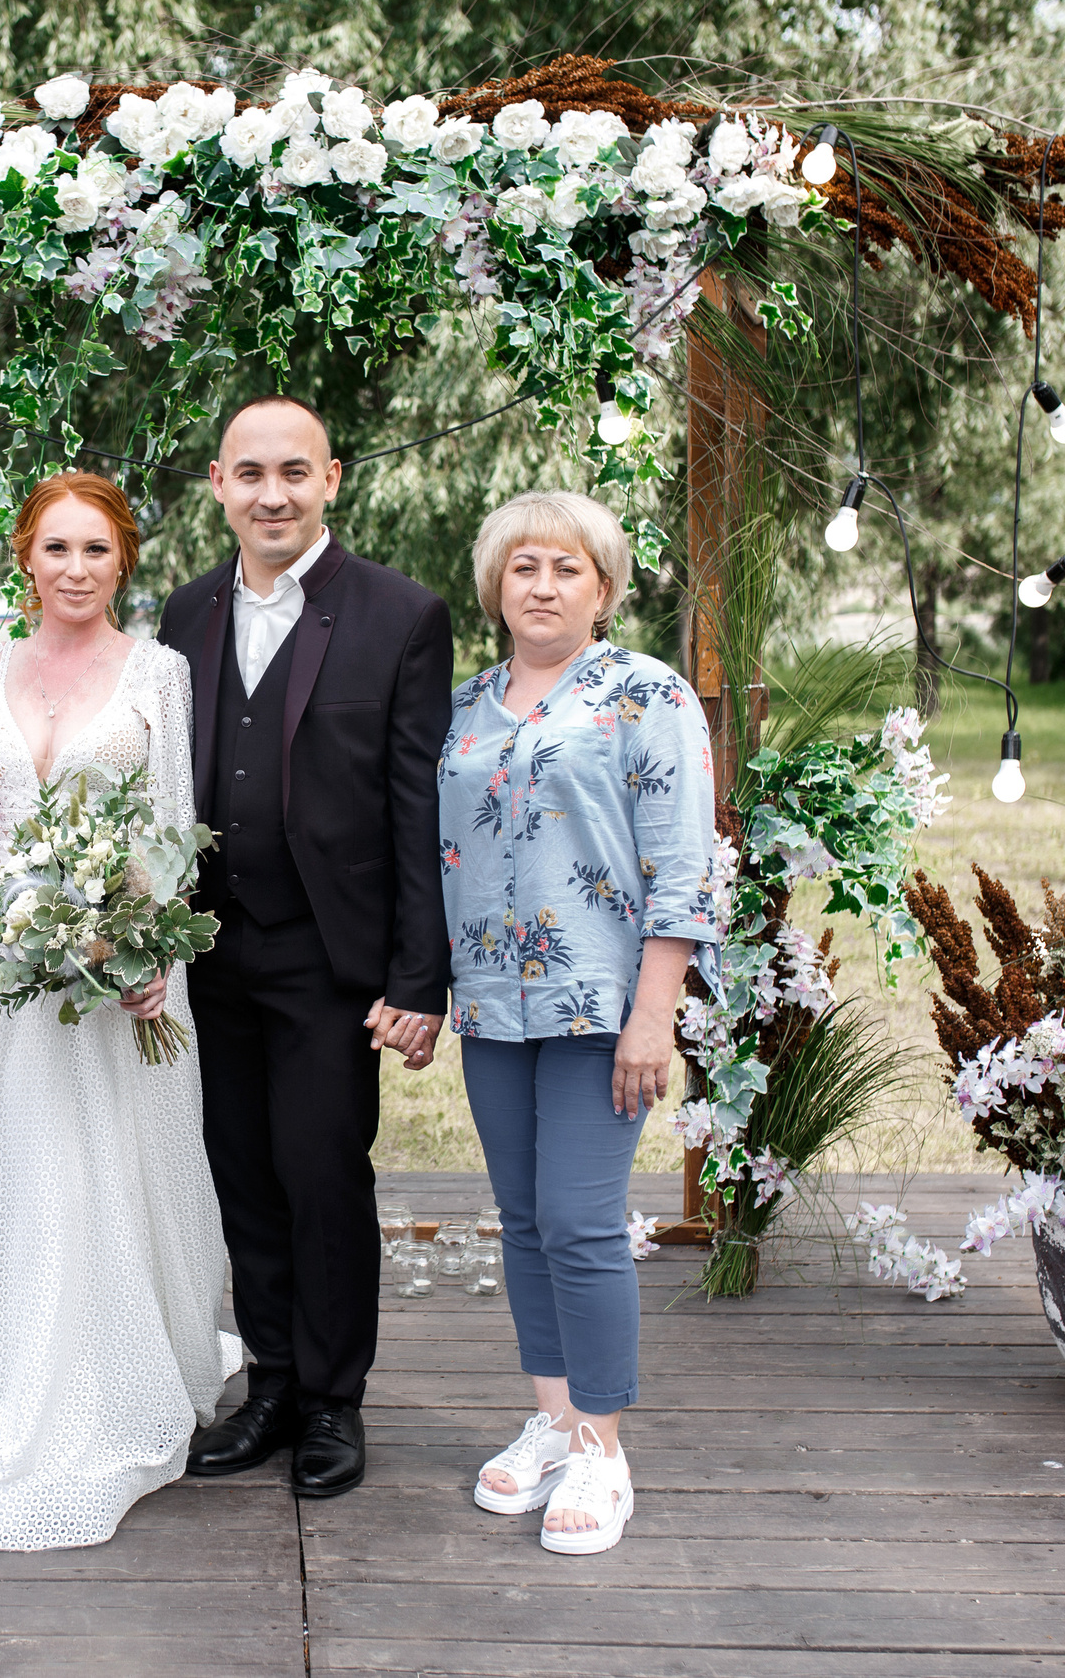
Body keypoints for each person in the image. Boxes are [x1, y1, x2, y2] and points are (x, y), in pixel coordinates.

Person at [0, 471, 240, 1552]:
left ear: (122, 560)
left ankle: (111, 1381)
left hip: (116, 961)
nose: (76, 570)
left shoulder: (161, 674)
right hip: (2, 971)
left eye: (96, 550)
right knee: (16, 1168)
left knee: (107, 1171)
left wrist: (144, 953)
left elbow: (176, 831)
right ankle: (10, 1365)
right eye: (56, 550)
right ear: (23, 559)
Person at [155, 396, 455, 1499]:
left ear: (331, 478)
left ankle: (333, 1400)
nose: (270, 494)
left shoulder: (400, 615)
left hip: (333, 961)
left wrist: (418, 978)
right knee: (240, 1173)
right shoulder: (182, 616)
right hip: (207, 950)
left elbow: (419, 807)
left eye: (293, 472)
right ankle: (271, 1382)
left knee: (321, 1174)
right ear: (220, 486)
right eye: (249, 474)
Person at [436, 491, 719, 1556]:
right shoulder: (464, 708)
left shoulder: (645, 695)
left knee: (580, 1221)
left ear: (601, 589)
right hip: (492, 1006)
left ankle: (603, 1445)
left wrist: (656, 1014)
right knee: (522, 1218)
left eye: (566, 569)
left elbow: (683, 866)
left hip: (602, 1006)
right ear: (494, 586)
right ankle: (552, 1419)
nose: (542, 587)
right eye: (523, 568)